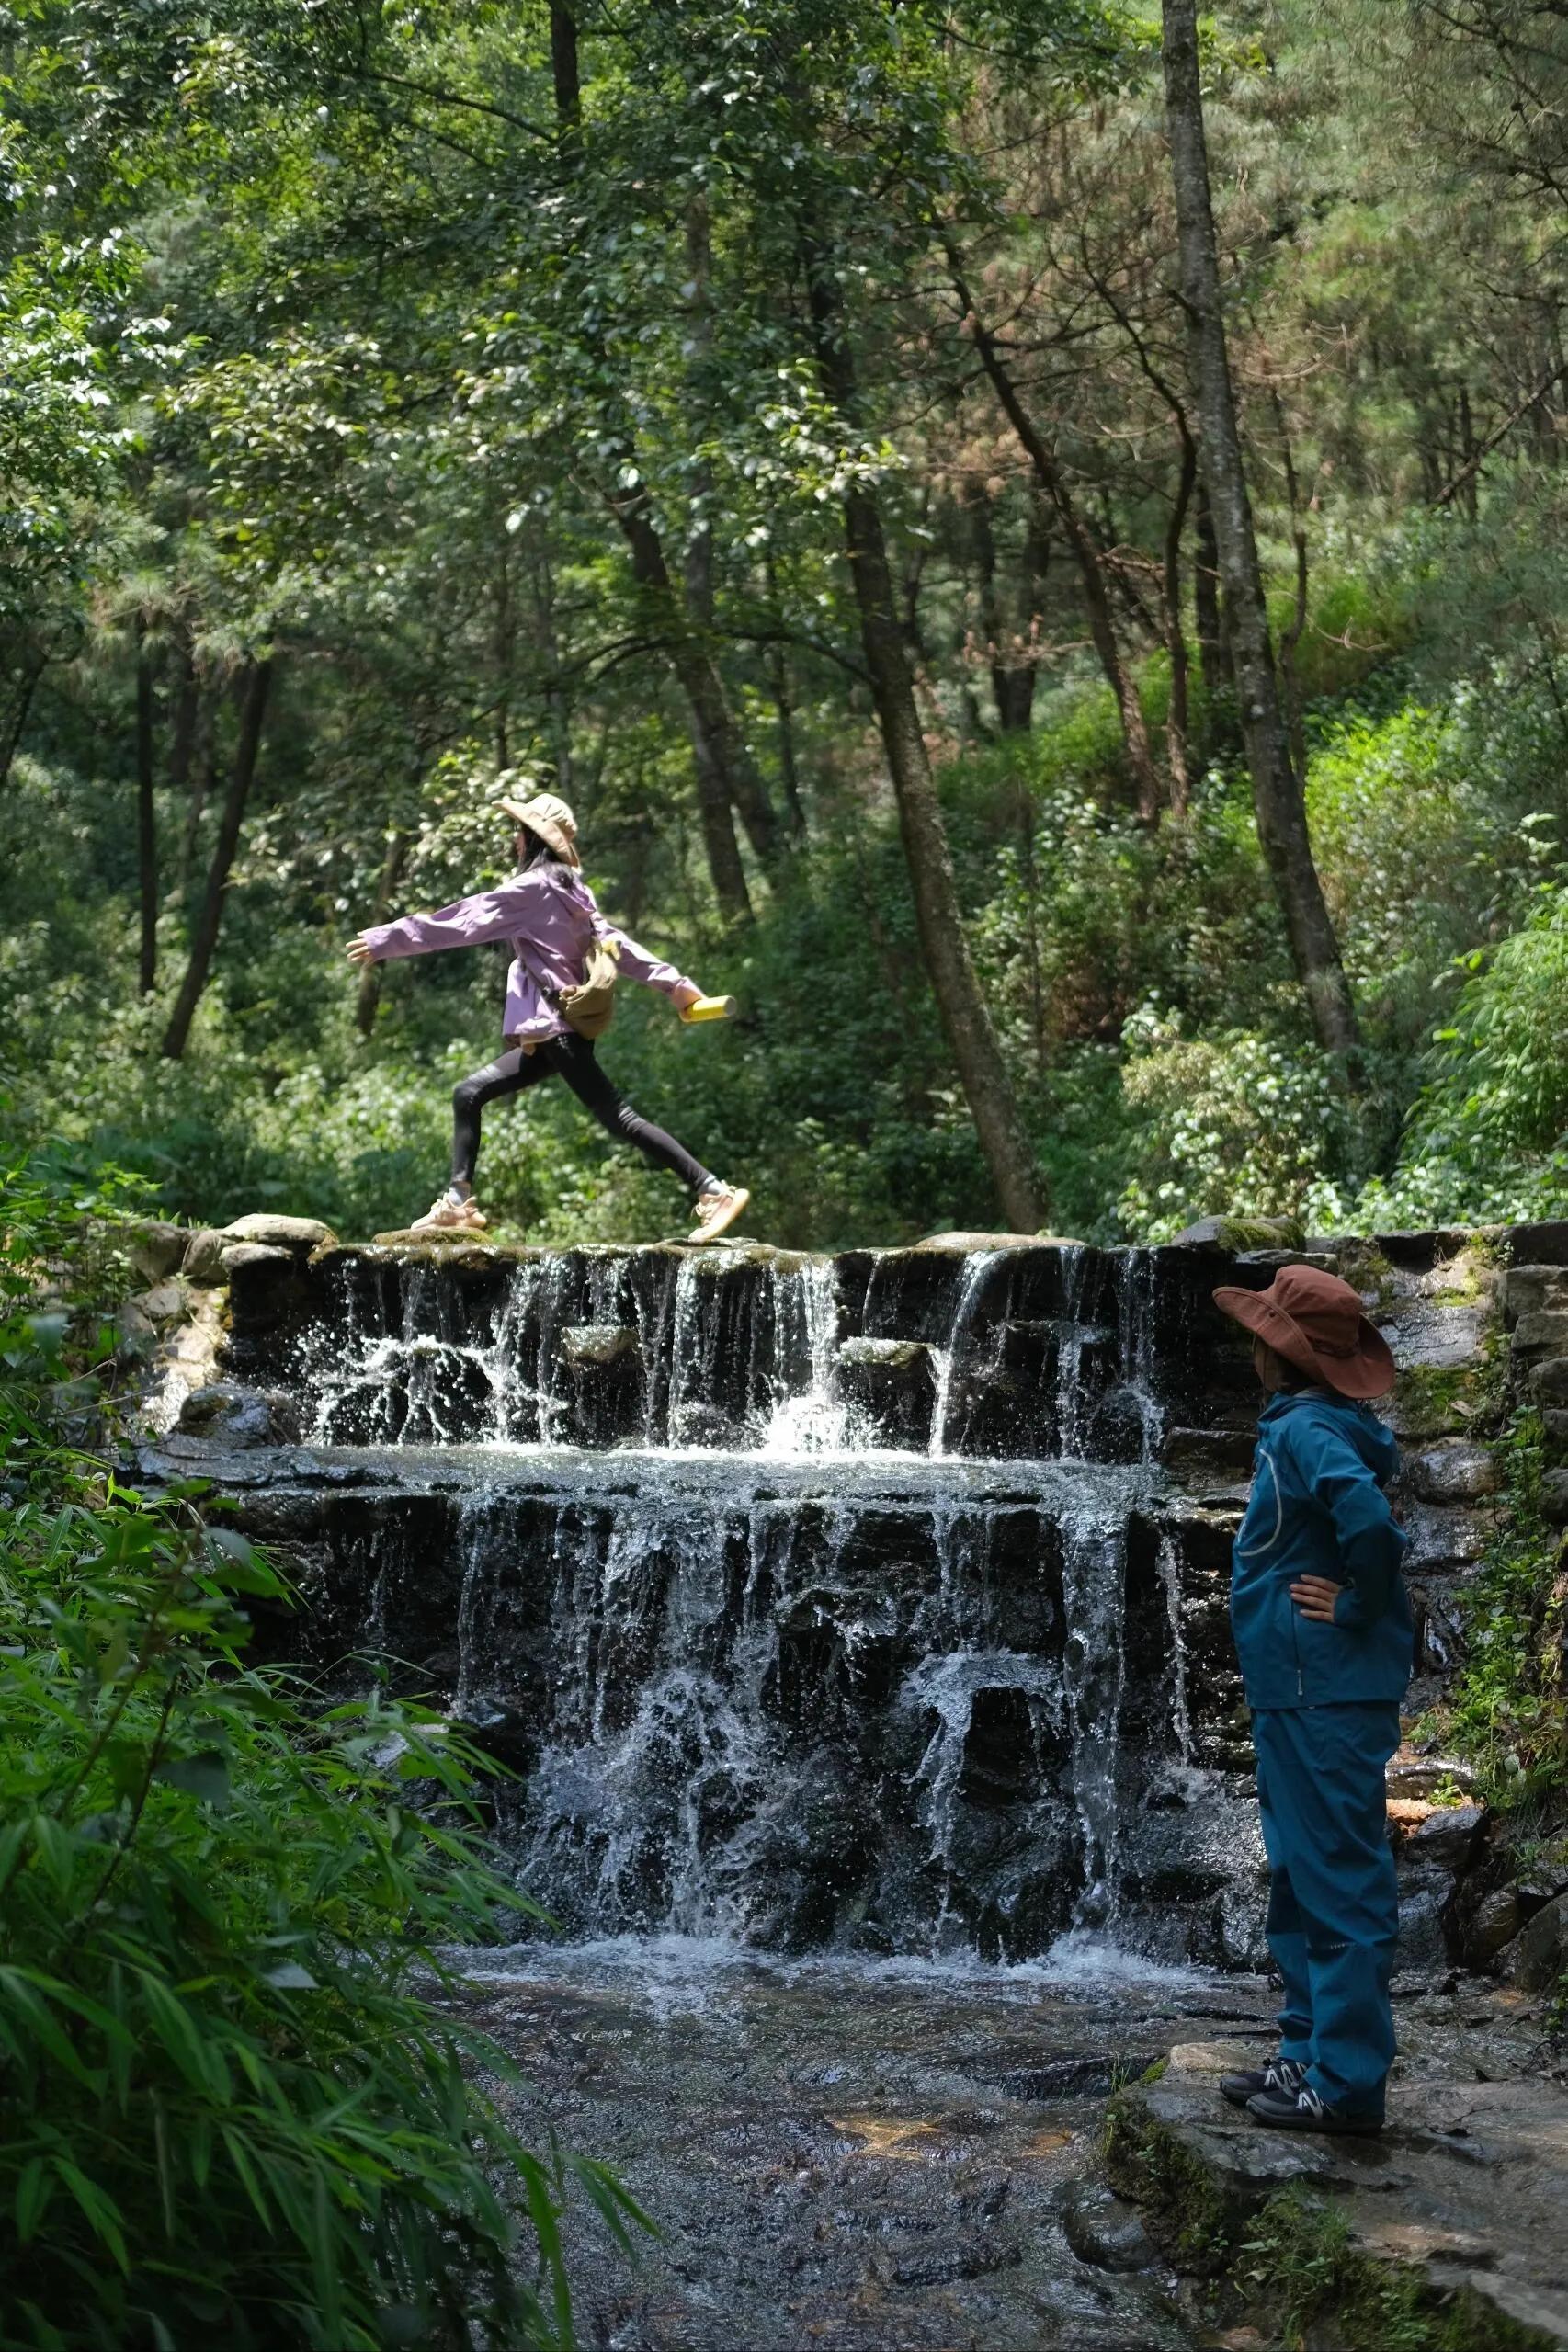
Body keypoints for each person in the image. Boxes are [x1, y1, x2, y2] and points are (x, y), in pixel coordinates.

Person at [346, 789, 750, 1241]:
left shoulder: (531, 890)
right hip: (555, 1032)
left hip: (556, 1031)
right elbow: (620, 948)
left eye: (519, 833)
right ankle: (458, 1204)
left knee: (619, 1116)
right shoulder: (576, 892)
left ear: (532, 838)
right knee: (468, 1093)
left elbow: (461, 920)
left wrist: (387, 939)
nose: (515, 841)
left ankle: (713, 1190)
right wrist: (675, 985)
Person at [1210, 1263, 1411, 2138]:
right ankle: (1307, 2048)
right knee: (1299, 1873)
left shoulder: (1306, 1431)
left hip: (1322, 1688)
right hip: (1296, 1691)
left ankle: (1347, 2081)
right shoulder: (1307, 1423)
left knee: (1337, 1875)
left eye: (1261, 1335)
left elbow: (1369, 1522)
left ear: (1278, 1353)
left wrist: (1359, 1603)